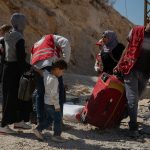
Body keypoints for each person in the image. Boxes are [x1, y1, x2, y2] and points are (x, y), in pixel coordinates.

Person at [114, 19, 150, 137]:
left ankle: (121, 114)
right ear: (148, 21)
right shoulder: (135, 31)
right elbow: (127, 48)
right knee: (133, 99)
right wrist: (119, 64)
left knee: (135, 99)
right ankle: (133, 127)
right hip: (130, 69)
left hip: (145, 73)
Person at [30, 34, 71, 128]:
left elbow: (31, 60)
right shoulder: (50, 37)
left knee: (41, 94)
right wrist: (63, 64)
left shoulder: (35, 44)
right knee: (58, 93)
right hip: (50, 66)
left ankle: (41, 121)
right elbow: (65, 42)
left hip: (37, 68)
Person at [0, 13, 32, 134]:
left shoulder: (8, 35)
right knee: (12, 98)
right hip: (14, 70)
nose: (25, 24)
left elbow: (4, 56)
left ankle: (18, 122)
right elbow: (20, 58)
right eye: (24, 21)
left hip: (8, 69)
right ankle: (3, 125)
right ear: (19, 23)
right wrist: (30, 68)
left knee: (15, 96)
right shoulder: (19, 36)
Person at [33, 59, 68, 142]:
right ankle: (56, 136)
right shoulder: (54, 80)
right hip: (53, 104)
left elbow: (41, 72)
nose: (62, 74)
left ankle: (38, 129)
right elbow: (54, 95)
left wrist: (35, 68)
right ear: (57, 69)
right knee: (58, 119)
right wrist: (57, 106)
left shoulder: (47, 75)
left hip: (46, 103)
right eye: (62, 71)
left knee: (49, 120)